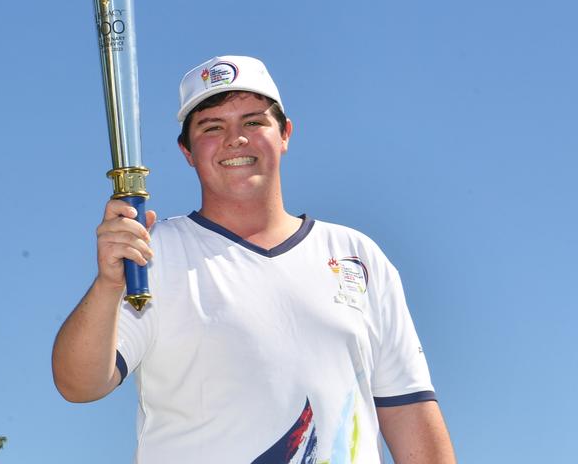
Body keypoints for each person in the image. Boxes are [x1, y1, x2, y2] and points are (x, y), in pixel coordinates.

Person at [52, 55, 455, 463]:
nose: (235, 139)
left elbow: (410, 412)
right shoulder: (152, 253)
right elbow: (78, 384)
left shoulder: (357, 256)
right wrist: (108, 285)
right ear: (187, 151)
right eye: (212, 127)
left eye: (253, 122)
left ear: (285, 133)